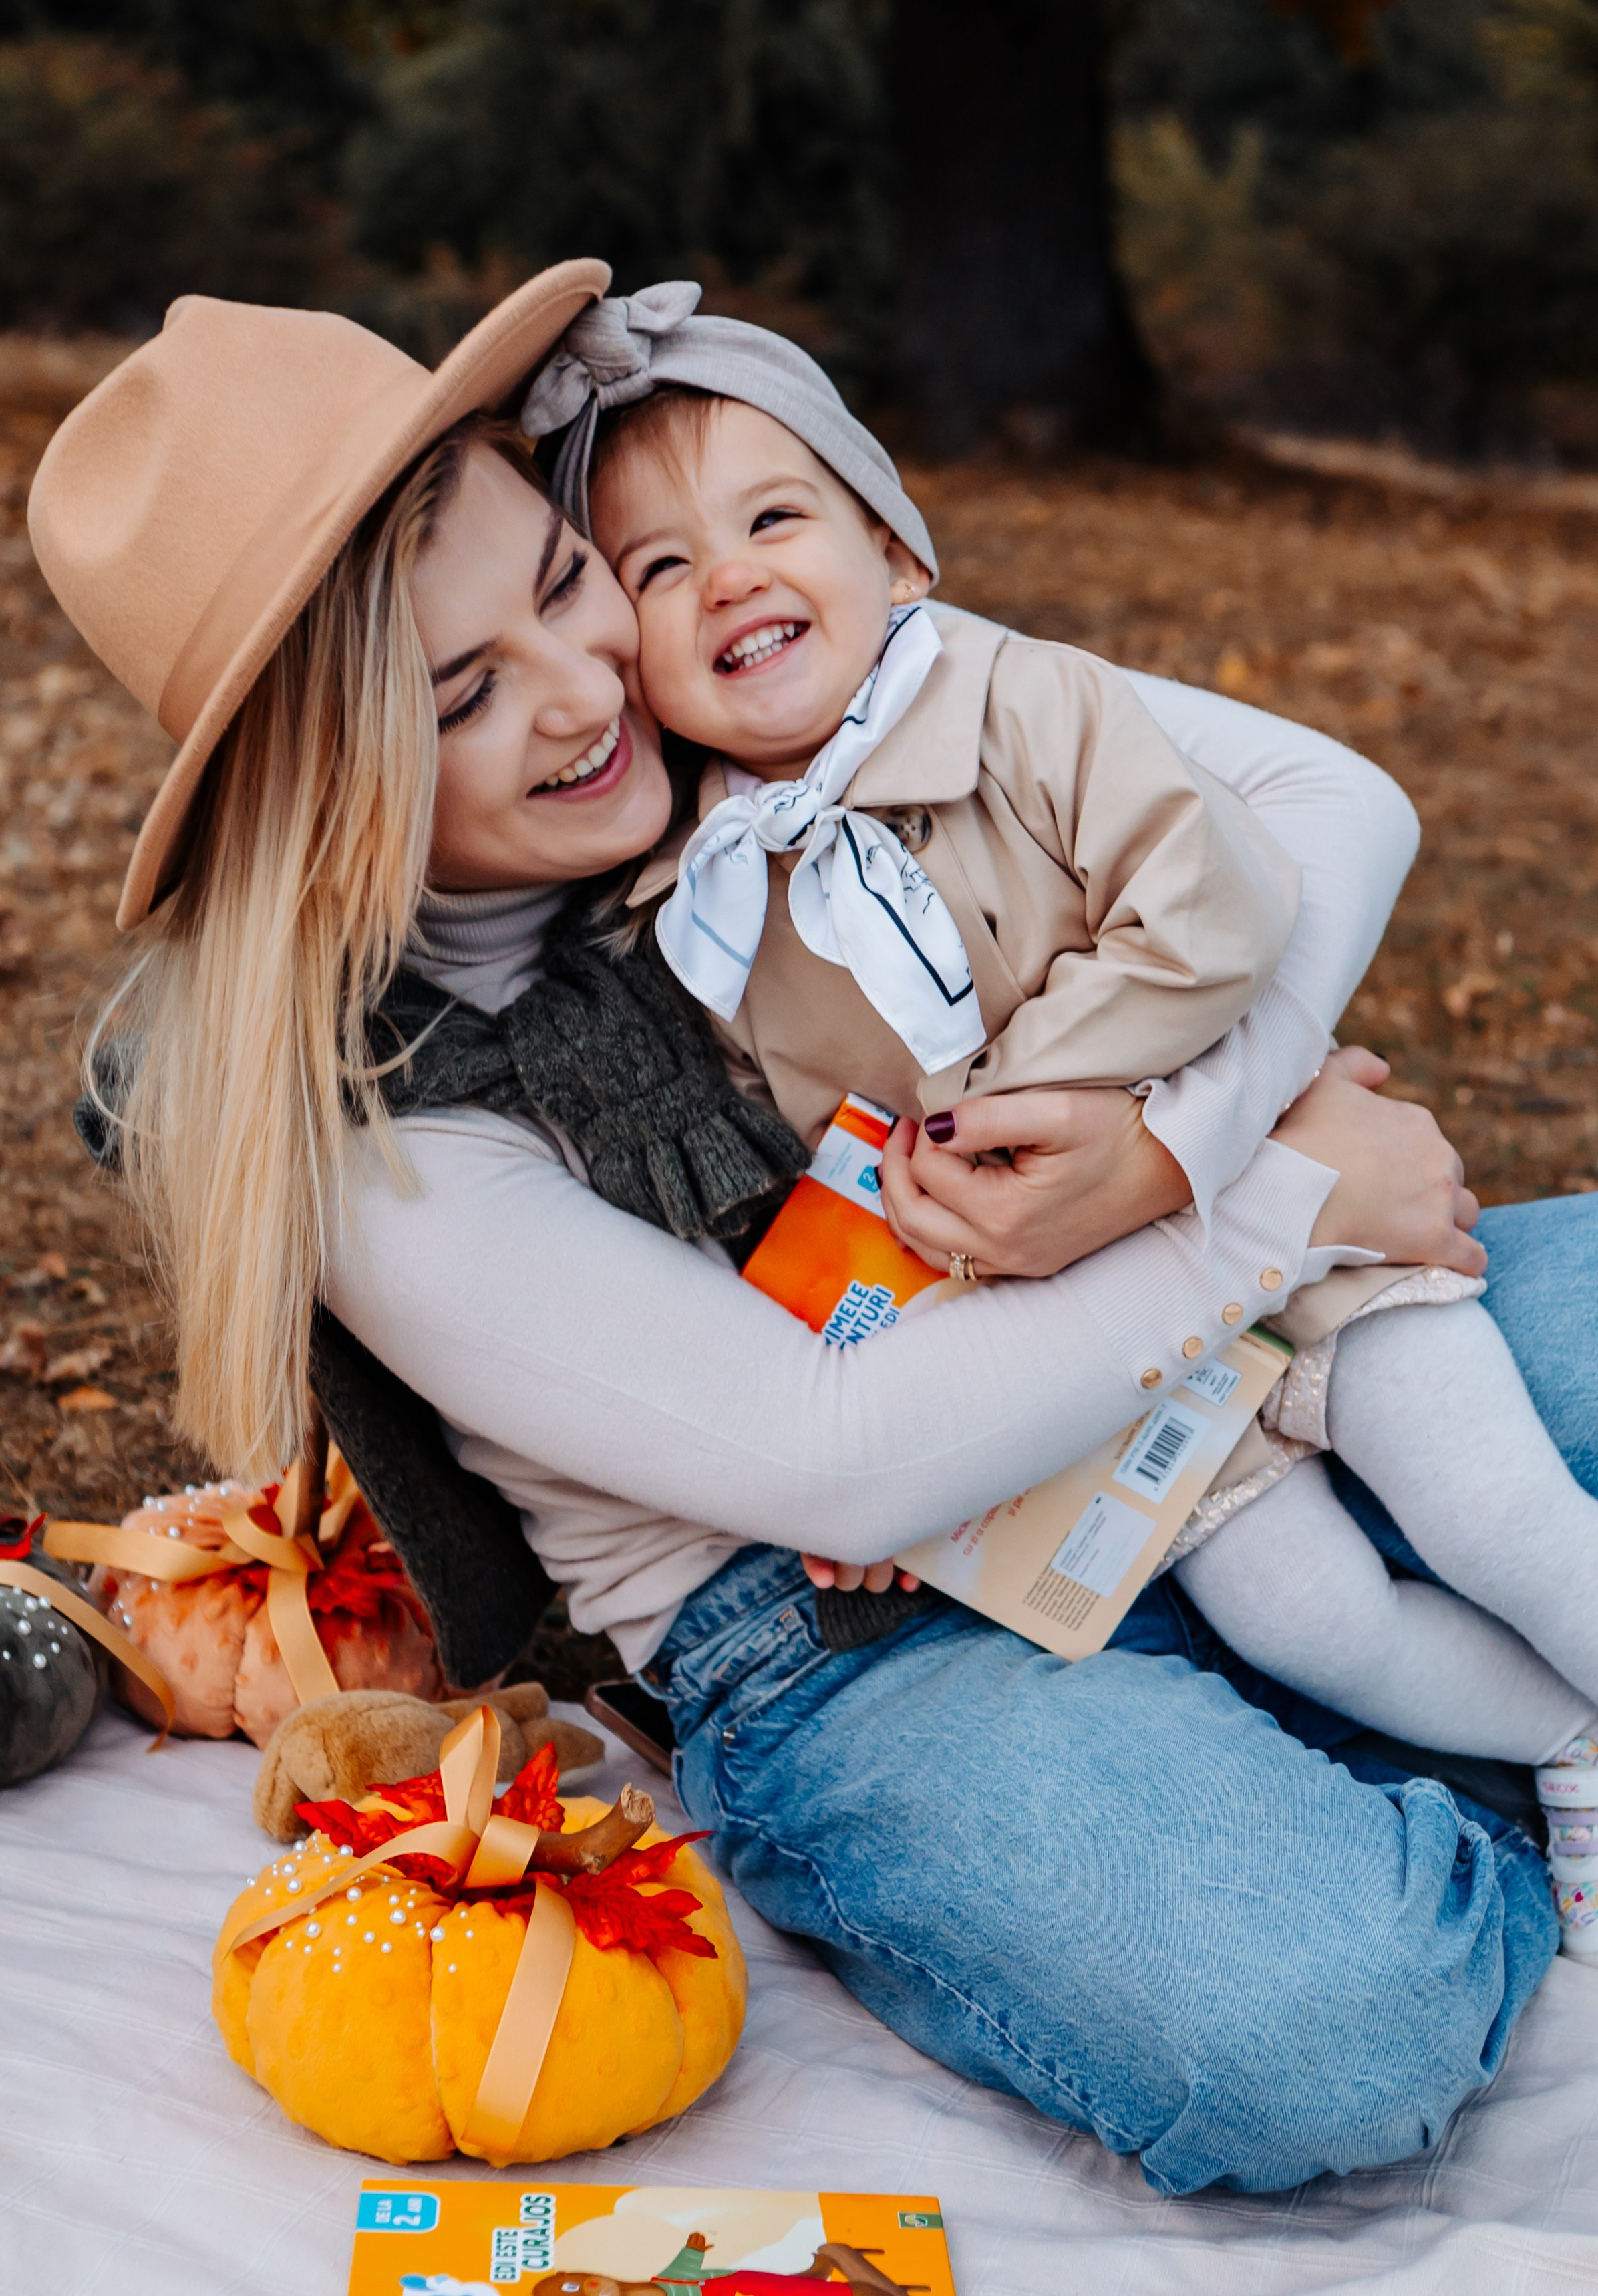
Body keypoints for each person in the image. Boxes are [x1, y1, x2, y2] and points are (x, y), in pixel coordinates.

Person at [26, 265, 1573, 2197]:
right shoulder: (367, 1125)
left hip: (1183, 1354)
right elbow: (839, 1456)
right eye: (462, 695)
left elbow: (1320, 806)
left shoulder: (751, 664)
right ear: (324, 790)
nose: (591, 693)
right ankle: (1443, 1764)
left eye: (565, 584)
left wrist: (1180, 1143)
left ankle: (1381, 1688)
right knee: (1328, 2022)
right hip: (842, 1615)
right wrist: (1277, 1193)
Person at [524, 285, 1598, 1838]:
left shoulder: (1019, 702)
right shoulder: (685, 908)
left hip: (1283, 1215)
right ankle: (1565, 1749)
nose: (729, 578)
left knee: (1489, 1506)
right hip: (1079, 1353)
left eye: (773, 517)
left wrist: (1047, 1092)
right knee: (1299, 1613)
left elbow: (1218, 893)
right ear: (628, 661)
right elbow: (794, 1186)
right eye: (661, 568)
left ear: (893, 549)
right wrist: (874, 1469)